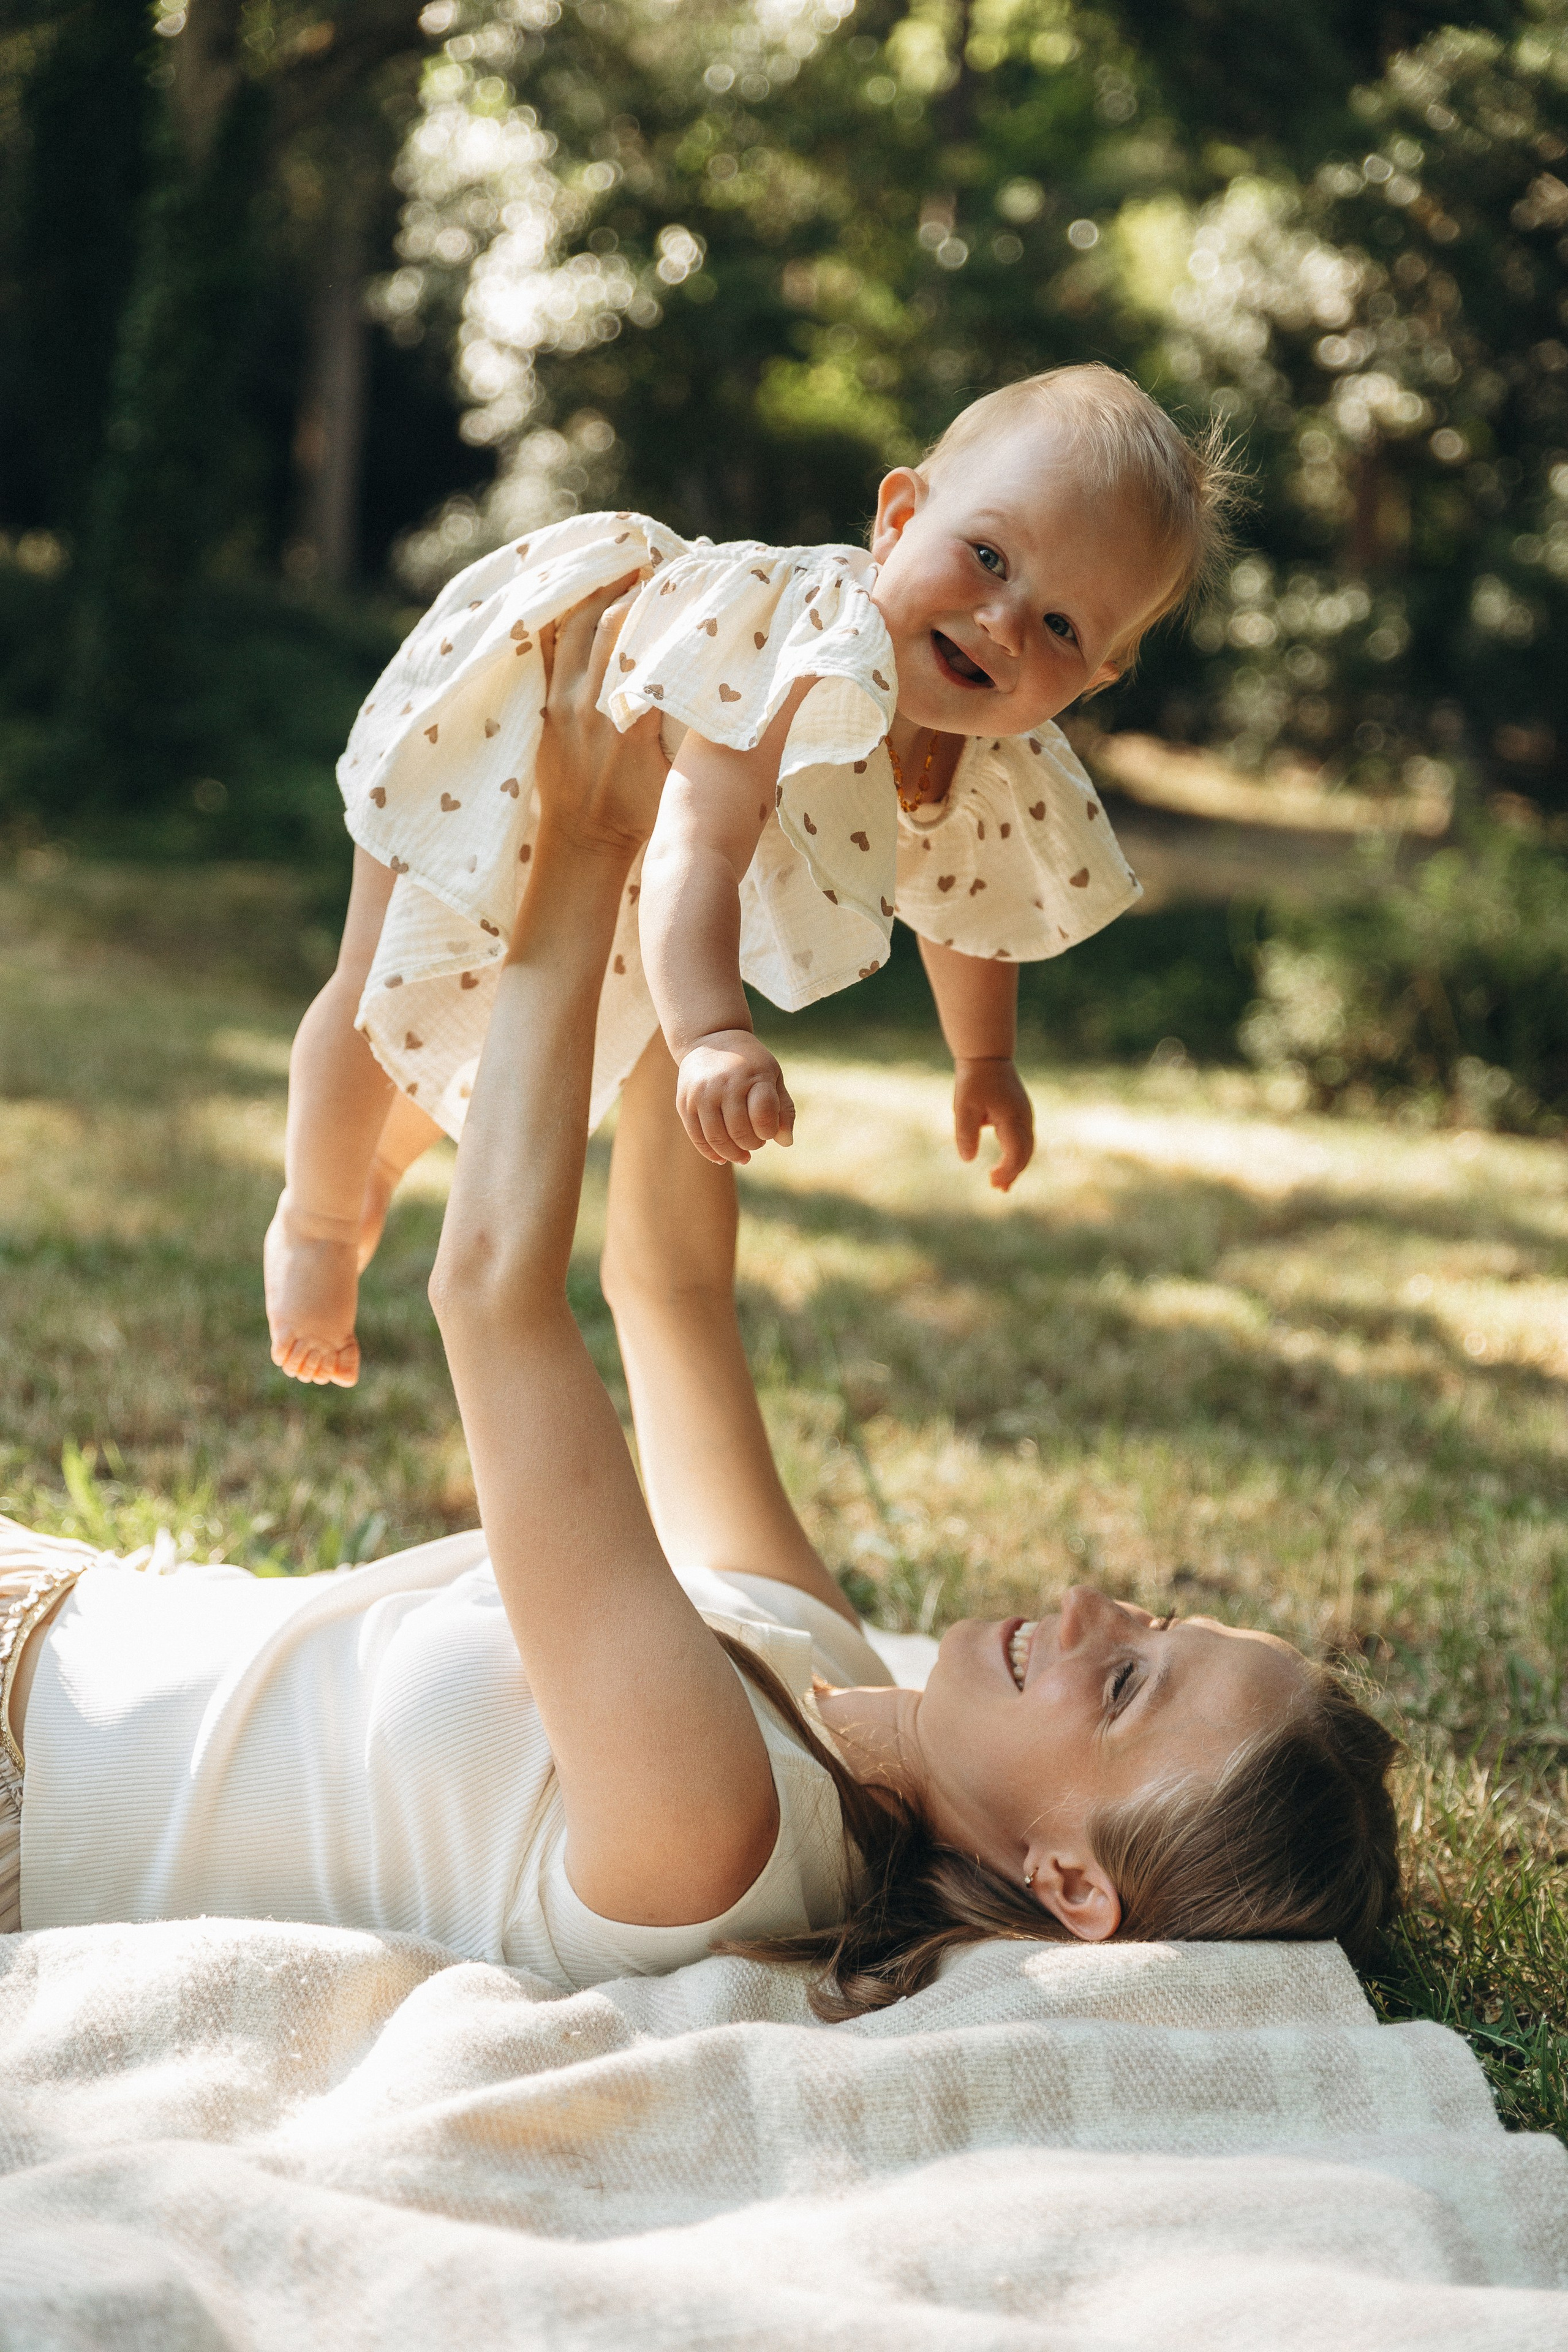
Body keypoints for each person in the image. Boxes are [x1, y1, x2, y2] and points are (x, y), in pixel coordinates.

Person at [1, 590, 1398, 2011]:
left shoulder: (720, 1833)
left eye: (1123, 1690)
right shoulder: (830, 1667)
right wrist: (721, 823)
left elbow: (490, 1297)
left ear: (1068, 1884)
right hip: (54, 1601)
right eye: (1156, 1625)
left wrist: (591, 844)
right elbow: (665, 1288)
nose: (1099, 1607)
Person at [265, 363, 1245, 1385]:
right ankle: (317, 1219)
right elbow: (704, 833)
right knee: (383, 970)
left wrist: (984, 1063)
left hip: (623, 823)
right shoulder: (816, 641)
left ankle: (374, 1172)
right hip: (521, 701)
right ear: (899, 518)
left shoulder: (990, 745)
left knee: (511, 1014)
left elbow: (966, 902)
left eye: (1061, 627)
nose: (1004, 622)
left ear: (1097, 678)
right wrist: (712, 1035)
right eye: (990, 555)